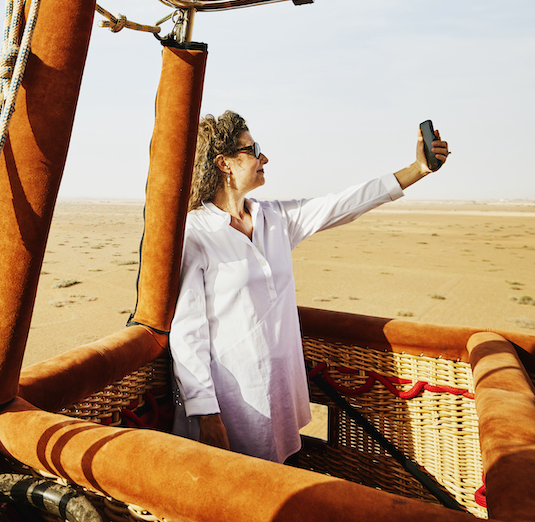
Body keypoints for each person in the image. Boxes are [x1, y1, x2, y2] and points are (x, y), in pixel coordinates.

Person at [169, 111, 449, 464]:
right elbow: (187, 333)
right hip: (229, 405)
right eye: (253, 149)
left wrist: (417, 169)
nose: (264, 157)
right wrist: (206, 415)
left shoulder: (275, 219)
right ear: (224, 163)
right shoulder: (195, 234)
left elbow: (345, 204)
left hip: (279, 392)